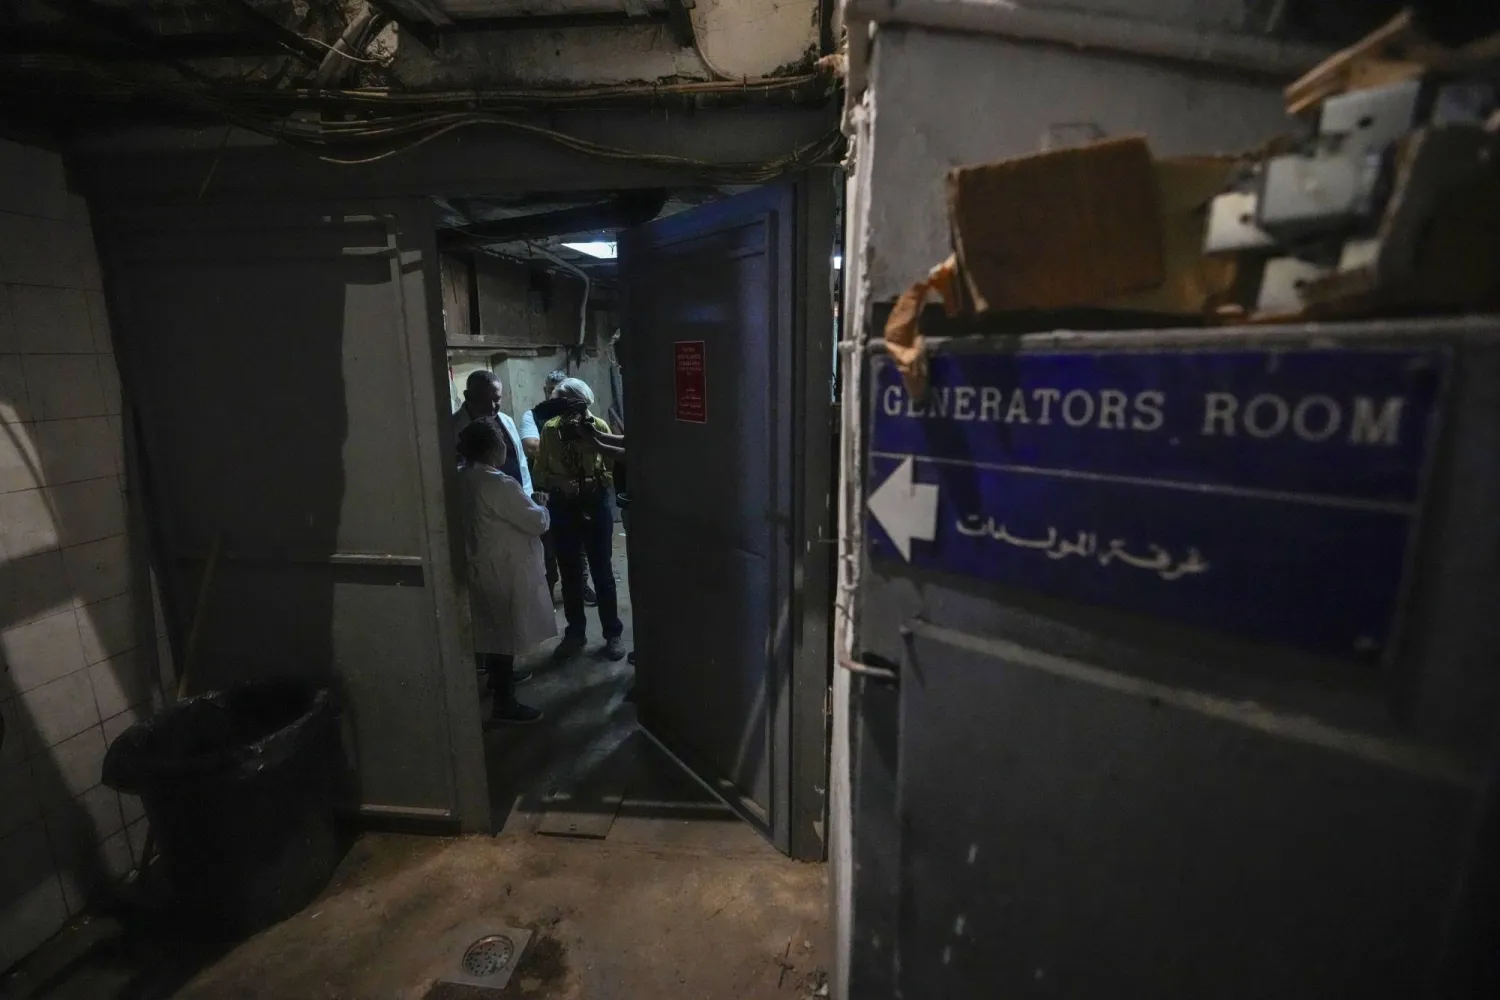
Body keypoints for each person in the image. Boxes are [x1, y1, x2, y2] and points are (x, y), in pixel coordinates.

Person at [456, 418, 551, 726]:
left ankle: (501, 679)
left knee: (493, 628)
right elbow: (535, 522)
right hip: (502, 565)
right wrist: (541, 505)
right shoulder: (498, 483)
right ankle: (504, 702)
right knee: (503, 629)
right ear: (492, 448)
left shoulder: (460, 477)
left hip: (479, 562)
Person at [535, 377, 626, 662]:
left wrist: (596, 481)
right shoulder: (550, 430)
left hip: (595, 503)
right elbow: (539, 473)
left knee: (603, 572)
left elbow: (614, 469)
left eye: (567, 403)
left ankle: (613, 634)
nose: (563, 411)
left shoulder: (597, 427)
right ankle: (575, 633)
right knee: (570, 572)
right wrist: (559, 481)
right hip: (564, 507)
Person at [519, 370, 593, 607]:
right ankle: (548, 592)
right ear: (546, 390)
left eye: (561, 389)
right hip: (549, 490)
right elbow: (531, 446)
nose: (556, 393)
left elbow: (594, 452)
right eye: (552, 388)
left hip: (580, 490)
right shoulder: (535, 416)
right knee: (549, 546)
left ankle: (581, 586)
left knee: (579, 546)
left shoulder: (585, 416)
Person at [453, 370, 531, 497]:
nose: (491, 406)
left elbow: (521, 464)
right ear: (467, 396)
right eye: (483, 399)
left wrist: (528, 496)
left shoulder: (507, 421)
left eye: (496, 399)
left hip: (517, 503)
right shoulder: (452, 429)